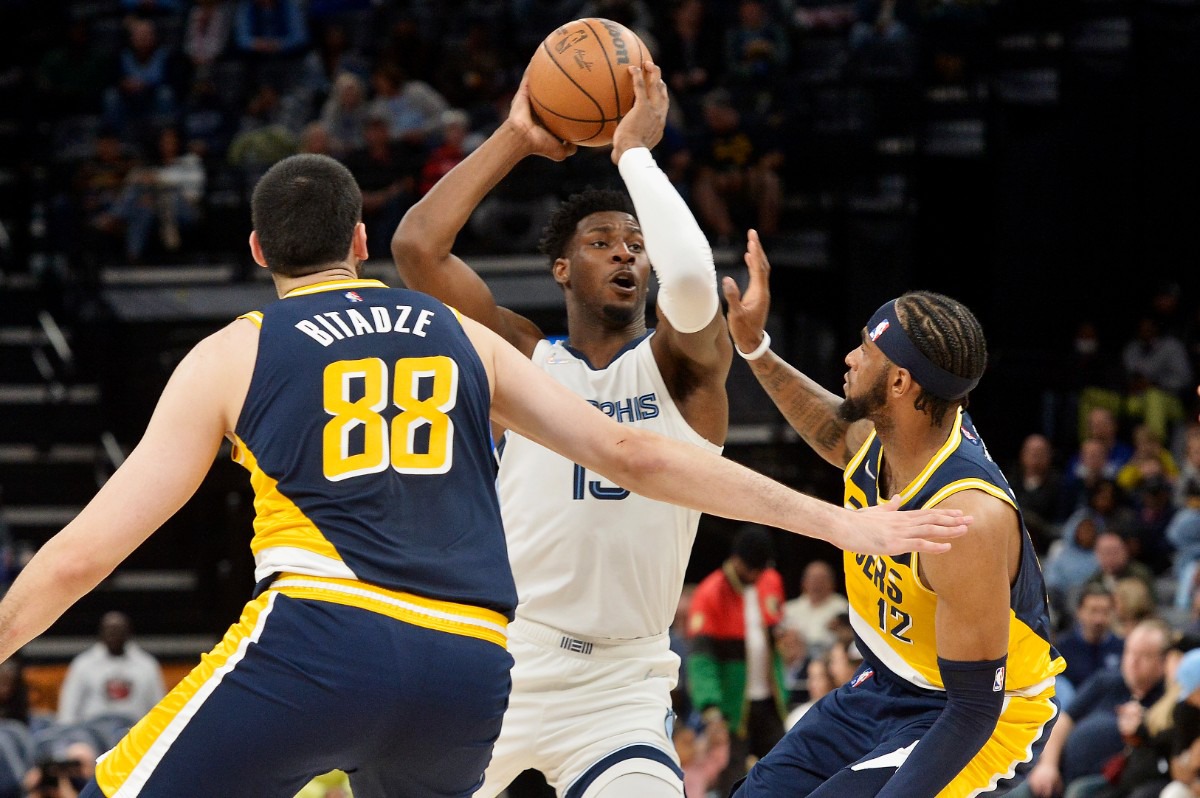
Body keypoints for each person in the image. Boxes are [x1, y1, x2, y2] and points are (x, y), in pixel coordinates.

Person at [0, 153, 967, 798]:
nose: (624, 255)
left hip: (338, 636)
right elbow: (634, 455)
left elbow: (83, 557)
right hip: (476, 666)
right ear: (358, 244)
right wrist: (841, 524)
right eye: (602, 241)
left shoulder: (235, 351)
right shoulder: (466, 337)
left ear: (256, 252)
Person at [390, 60, 756, 798]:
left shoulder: (685, 369)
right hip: (508, 659)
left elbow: (689, 284)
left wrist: (635, 157)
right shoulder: (522, 359)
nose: (626, 250)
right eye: (601, 241)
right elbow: (415, 250)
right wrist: (517, 136)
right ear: (560, 268)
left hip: (621, 686)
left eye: (636, 242)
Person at [722, 232, 1065, 796]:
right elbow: (830, 426)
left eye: (864, 348)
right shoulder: (884, 438)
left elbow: (975, 708)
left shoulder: (964, 520)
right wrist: (754, 347)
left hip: (981, 713)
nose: (849, 357)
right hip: (884, 684)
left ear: (901, 383)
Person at [687, 525, 789, 793]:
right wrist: (711, 711)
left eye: (761, 569)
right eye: (752, 568)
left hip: (770, 701)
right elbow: (701, 662)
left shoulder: (771, 581)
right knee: (731, 780)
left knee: (784, 770)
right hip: (731, 709)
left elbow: (776, 633)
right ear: (736, 559)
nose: (756, 575)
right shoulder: (710, 594)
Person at [1019, 619, 1171, 798]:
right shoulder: (1105, 681)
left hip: (1105, 781)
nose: (1133, 661)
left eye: (1144, 655)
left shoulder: (1164, 701)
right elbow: (1063, 721)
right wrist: (1048, 766)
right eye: (1129, 652)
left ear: (1162, 663)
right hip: (1058, 773)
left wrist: (1140, 729)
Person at [56, 611, 165, 727]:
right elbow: (68, 709)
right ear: (101, 633)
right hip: (95, 731)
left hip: (134, 730)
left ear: (128, 632)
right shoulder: (83, 664)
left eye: (118, 630)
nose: (114, 635)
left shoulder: (147, 664)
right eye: (110, 630)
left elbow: (159, 707)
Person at [1053, 584, 1124, 710]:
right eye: (1093, 611)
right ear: (1079, 612)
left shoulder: (1122, 648)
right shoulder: (1062, 647)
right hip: (1070, 713)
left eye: (1105, 612)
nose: (1099, 619)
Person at [782, 559, 849, 662]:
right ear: (803, 582)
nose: (817, 583)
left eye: (822, 579)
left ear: (832, 583)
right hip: (797, 661)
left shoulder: (841, 606)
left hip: (828, 660)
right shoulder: (789, 609)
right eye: (813, 578)